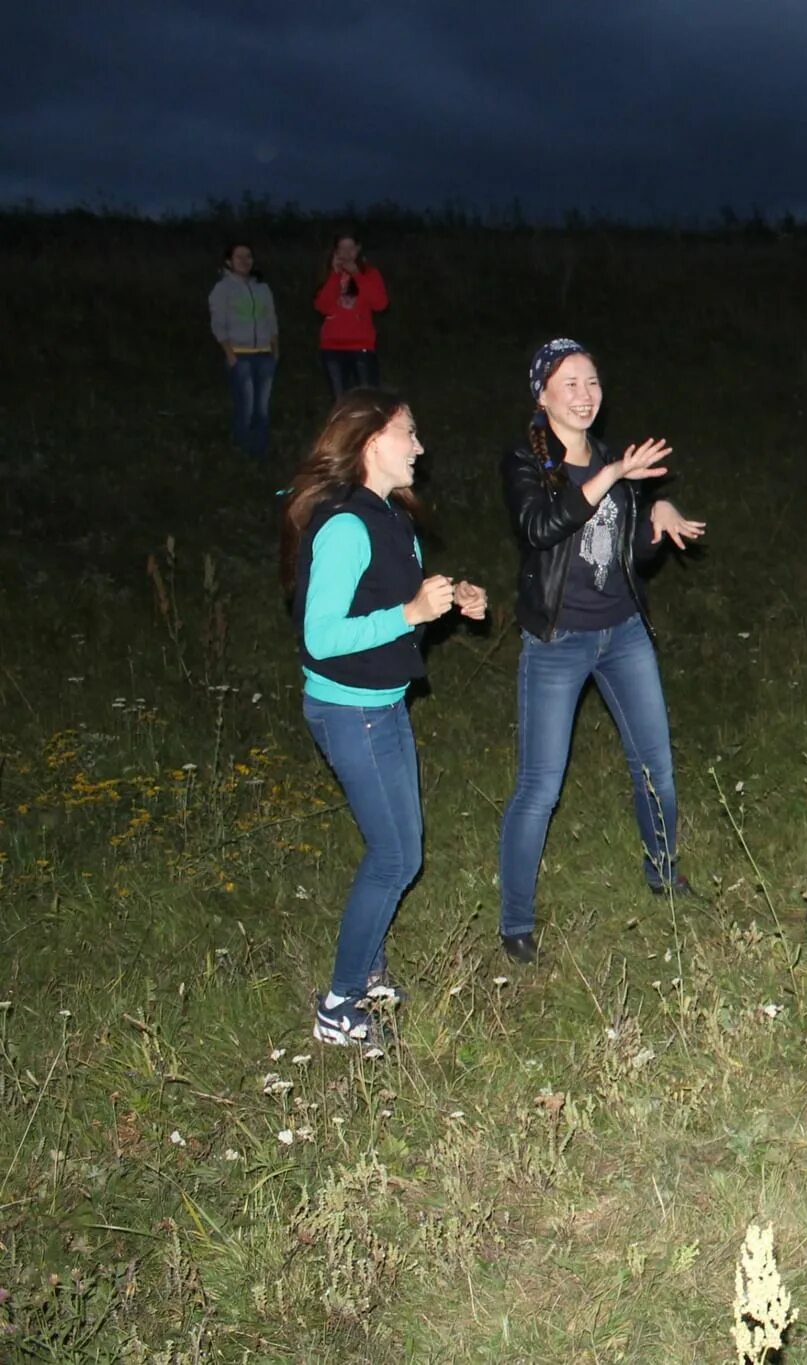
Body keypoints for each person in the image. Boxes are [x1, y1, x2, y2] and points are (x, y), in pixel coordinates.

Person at [280, 390, 487, 1046]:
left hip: (383, 702)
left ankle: (367, 970)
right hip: (349, 710)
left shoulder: (390, 514)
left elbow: (395, 597)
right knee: (396, 855)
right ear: (370, 441)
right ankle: (339, 1005)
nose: (420, 447)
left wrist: (449, 600)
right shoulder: (344, 524)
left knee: (402, 849)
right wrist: (410, 615)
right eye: (409, 433)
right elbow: (320, 636)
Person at [497, 338, 707, 965]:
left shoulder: (612, 458)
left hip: (623, 634)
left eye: (592, 383)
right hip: (559, 641)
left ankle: (663, 872)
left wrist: (656, 516)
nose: (586, 396)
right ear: (543, 395)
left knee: (656, 767)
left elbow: (629, 551)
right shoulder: (524, 462)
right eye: (571, 384)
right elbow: (539, 528)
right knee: (540, 786)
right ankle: (515, 919)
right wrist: (608, 478)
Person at [208, 241, 279, 459]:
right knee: (246, 406)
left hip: (265, 355)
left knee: (262, 409)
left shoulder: (262, 288)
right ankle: (241, 452)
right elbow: (218, 324)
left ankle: (260, 452)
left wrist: (275, 349)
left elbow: (271, 319)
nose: (244, 261)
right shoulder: (222, 289)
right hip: (240, 355)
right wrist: (229, 353)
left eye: (248, 256)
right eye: (239, 257)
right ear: (229, 261)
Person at [315, 232, 390, 400]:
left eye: (351, 248)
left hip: (361, 347)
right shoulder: (329, 274)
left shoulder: (370, 274)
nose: (347, 253)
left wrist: (358, 275)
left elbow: (380, 304)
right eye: (342, 248)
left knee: (367, 401)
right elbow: (322, 307)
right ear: (335, 251)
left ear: (358, 249)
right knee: (340, 402)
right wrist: (334, 276)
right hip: (332, 348)